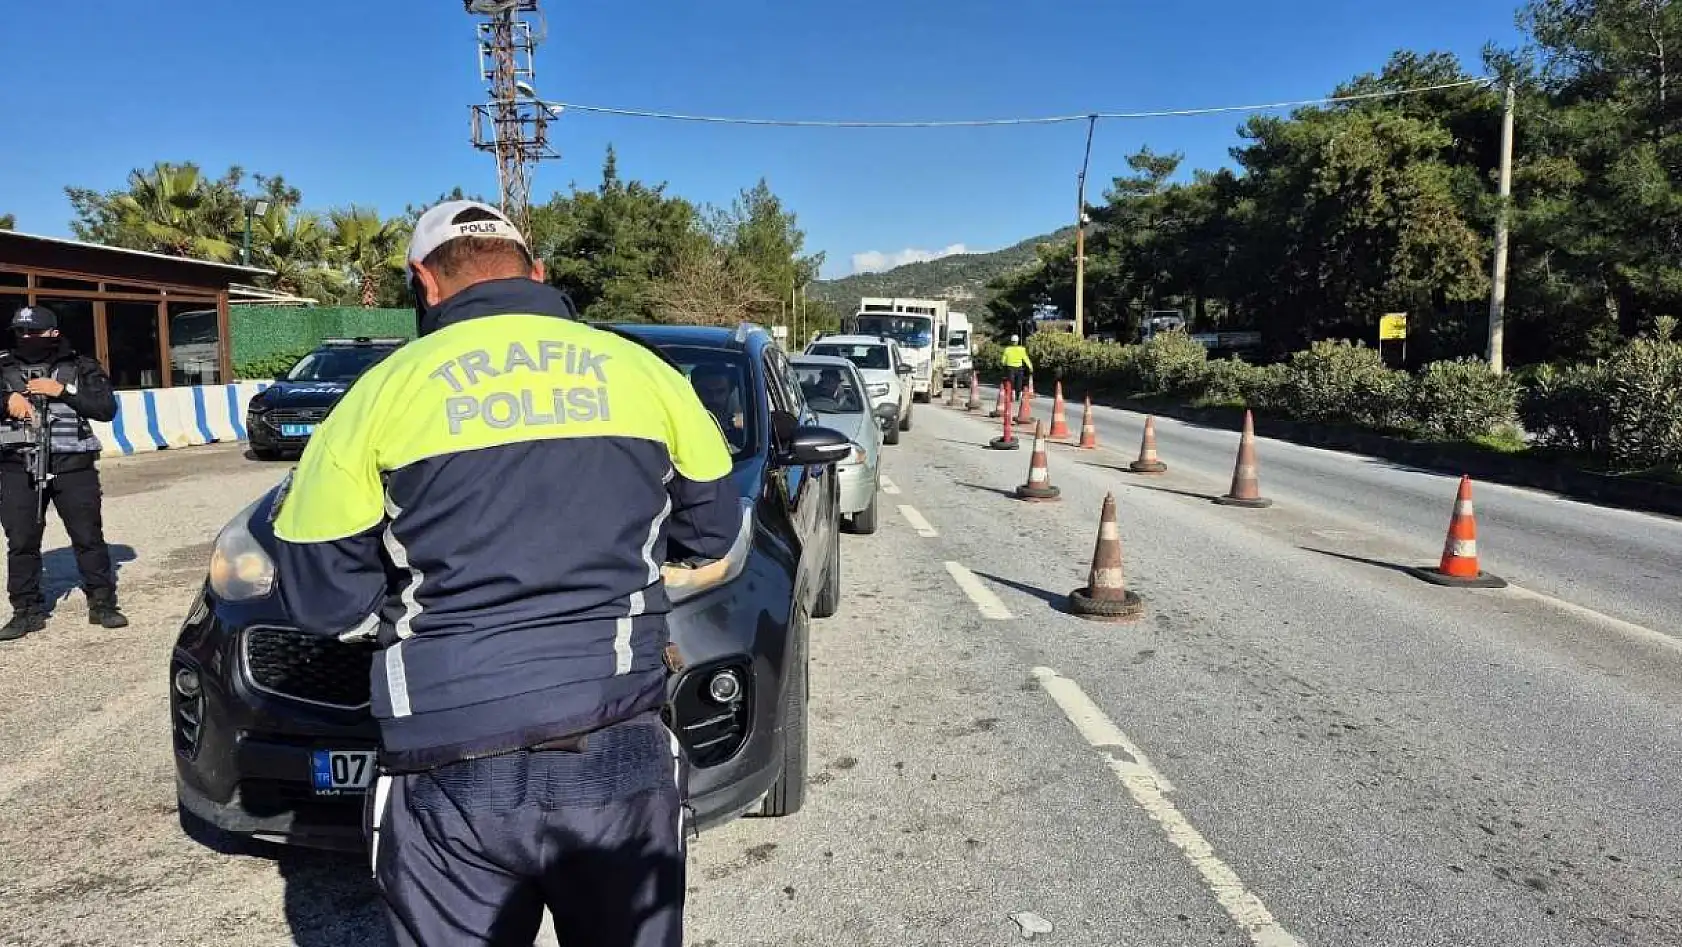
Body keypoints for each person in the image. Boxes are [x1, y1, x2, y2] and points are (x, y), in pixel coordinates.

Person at [269, 200, 741, 947]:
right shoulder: (644, 374)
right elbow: (711, 529)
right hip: (616, 737)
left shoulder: (377, 394)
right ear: (539, 273)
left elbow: (324, 599)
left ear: (424, 282)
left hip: (446, 753)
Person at [0, 304, 126, 642]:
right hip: (17, 466)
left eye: (34, 332)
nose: (26, 338)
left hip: (74, 466)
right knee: (22, 541)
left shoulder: (81, 366)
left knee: (87, 536)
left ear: (53, 333)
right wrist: (6, 399)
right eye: (20, 332)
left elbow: (105, 409)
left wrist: (64, 392)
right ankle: (26, 610)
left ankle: (102, 603)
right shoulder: (4, 367)